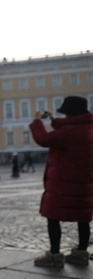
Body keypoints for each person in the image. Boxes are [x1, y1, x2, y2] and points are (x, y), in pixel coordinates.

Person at [30, 96, 93, 267]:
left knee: (52, 216)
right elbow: (68, 131)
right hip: (84, 181)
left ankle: (55, 255)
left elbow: (44, 139)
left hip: (63, 181)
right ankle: (81, 253)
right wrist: (54, 120)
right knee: (83, 217)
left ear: (71, 114)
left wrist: (37, 122)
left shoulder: (68, 132)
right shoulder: (88, 127)